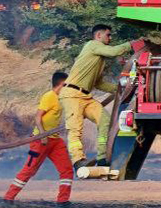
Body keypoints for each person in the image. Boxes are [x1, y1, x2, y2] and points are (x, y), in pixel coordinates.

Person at [59, 24, 142, 170]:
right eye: (108, 35)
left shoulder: (98, 58)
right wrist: (132, 44)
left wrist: (121, 89)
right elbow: (114, 51)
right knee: (75, 129)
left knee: (104, 120)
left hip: (85, 96)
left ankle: (102, 157)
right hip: (71, 95)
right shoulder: (92, 45)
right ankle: (78, 161)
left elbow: (98, 83)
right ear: (98, 36)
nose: (110, 38)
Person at [3, 71, 74, 204]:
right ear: (61, 84)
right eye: (67, 85)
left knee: (67, 170)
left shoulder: (63, 99)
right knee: (29, 170)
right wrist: (42, 135)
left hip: (55, 140)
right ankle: (8, 198)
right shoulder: (49, 96)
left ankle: (63, 201)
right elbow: (37, 117)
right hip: (40, 140)